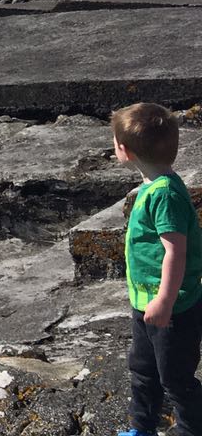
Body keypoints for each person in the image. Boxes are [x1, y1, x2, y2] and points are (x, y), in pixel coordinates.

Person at [111, 102, 202, 436]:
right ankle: (141, 427)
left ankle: (191, 429)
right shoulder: (154, 185)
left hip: (172, 308)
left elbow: (175, 251)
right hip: (145, 302)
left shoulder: (164, 195)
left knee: (175, 377)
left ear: (125, 150)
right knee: (142, 369)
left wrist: (165, 301)